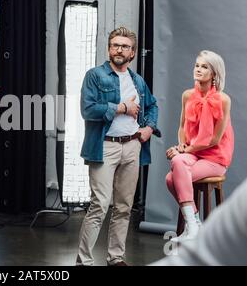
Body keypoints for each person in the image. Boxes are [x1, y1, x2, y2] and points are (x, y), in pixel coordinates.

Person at [76, 27, 160, 266]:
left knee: (124, 207)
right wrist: (121, 108)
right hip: (104, 147)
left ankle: (116, 258)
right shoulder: (95, 75)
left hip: (132, 146)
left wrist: (149, 128)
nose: (119, 49)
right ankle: (83, 261)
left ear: (132, 52)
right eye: (115, 45)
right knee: (100, 205)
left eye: (124, 46)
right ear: (109, 49)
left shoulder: (137, 80)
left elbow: (152, 106)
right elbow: (87, 110)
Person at [165, 50, 234, 243]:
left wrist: (183, 150)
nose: (198, 69)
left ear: (214, 73)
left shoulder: (223, 99)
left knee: (172, 179)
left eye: (204, 67)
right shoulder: (187, 95)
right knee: (178, 164)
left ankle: (192, 225)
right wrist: (181, 146)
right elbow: (181, 127)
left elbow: (214, 139)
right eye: (197, 65)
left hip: (215, 157)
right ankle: (194, 224)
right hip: (193, 152)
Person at [152, 177, 247, 266]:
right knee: (171, 177)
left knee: (177, 168)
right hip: (197, 161)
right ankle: (194, 221)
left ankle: (193, 222)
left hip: (215, 162)